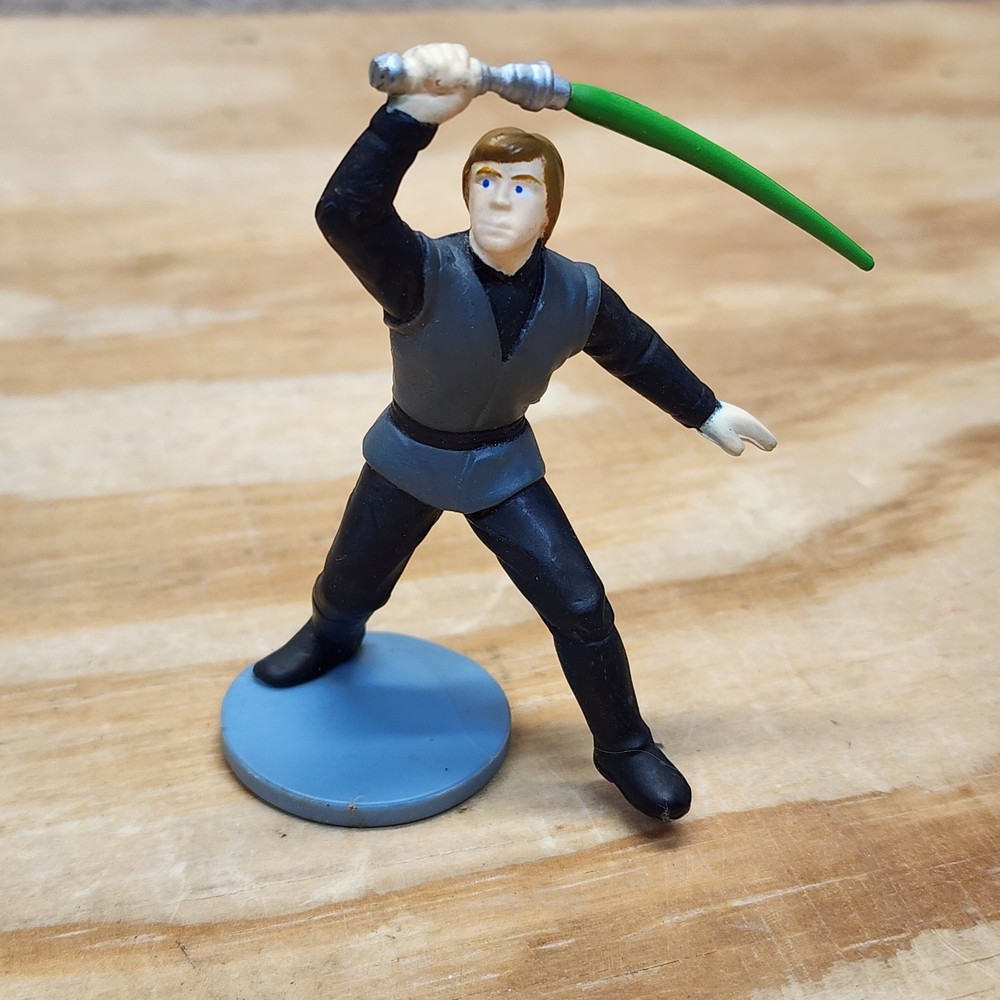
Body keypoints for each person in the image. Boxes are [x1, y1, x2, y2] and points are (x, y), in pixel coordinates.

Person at [253, 44, 776, 822]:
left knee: (582, 606)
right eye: (487, 183)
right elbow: (346, 212)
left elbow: (638, 352)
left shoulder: (577, 291)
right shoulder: (419, 270)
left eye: (521, 186)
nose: (500, 200)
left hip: (501, 467)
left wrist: (704, 409)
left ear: (549, 211)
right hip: (408, 457)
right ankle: (331, 637)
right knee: (351, 581)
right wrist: (410, 118)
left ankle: (625, 746)